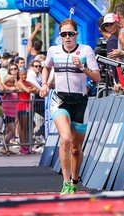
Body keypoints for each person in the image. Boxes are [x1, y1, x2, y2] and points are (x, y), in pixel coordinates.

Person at [39, 18, 101, 195]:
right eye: (64, 34)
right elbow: (46, 67)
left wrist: (82, 67)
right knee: (65, 139)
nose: (67, 37)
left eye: (70, 34)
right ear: (60, 36)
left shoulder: (86, 50)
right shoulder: (54, 51)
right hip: (60, 99)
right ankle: (65, 181)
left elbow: (97, 78)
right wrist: (44, 84)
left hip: (80, 101)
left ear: (76, 34)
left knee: (75, 148)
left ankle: (74, 179)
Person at [17, 67, 40, 154]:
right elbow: (28, 90)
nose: (24, 76)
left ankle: (27, 145)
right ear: (19, 75)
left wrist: (31, 89)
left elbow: (37, 89)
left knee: (29, 127)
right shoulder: (19, 82)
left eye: (25, 74)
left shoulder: (27, 82)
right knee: (23, 127)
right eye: (22, 74)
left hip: (28, 106)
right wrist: (31, 89)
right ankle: (23, 146)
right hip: (22, 106)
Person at [0, 75, 18, 155]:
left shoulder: (13, 88)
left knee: (8, 131)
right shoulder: (4, 89)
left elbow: (16, 89)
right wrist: (12, 88)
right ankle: (3, 147)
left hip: (13, 112)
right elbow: (4, 89)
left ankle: (7, 148)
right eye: (11, 81)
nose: (13, 83)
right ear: (7, 82)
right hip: (6, 112)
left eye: (14, 81)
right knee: (12, 131)